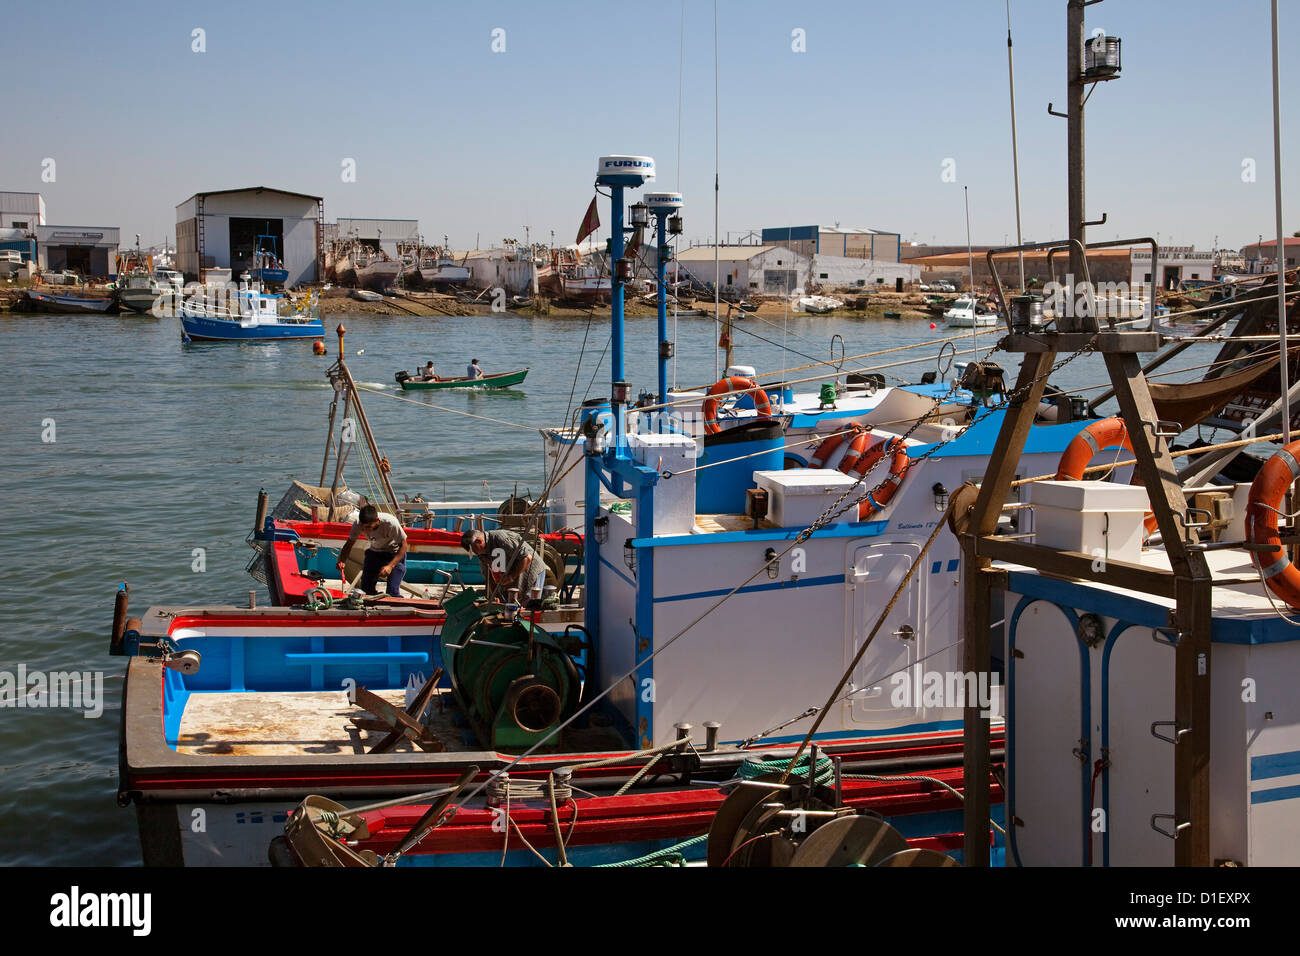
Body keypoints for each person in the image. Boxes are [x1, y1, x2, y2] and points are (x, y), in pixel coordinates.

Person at [460, 527, 544, 607]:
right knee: (512, 606)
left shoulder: (501, 539)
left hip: (532, 572)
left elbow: (527, 558)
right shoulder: (481, 552)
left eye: (475, 550)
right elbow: (488, 575)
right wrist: (494, 596)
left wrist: (511, 577)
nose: (477, 554)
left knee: (530, 606)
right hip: (514, 576)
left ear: (479, 541)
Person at [337, 504, 408, 597]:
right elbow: (349, 544)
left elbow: (404, 546)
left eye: (369, 527)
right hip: (375, 552)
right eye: (363, 527)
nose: (366, 530)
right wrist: (342, 560)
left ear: (377, 520)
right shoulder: (358, 524)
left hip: (394, 554)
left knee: (392, 591)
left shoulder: (391, 523)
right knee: (366, 588)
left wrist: (390, 566)